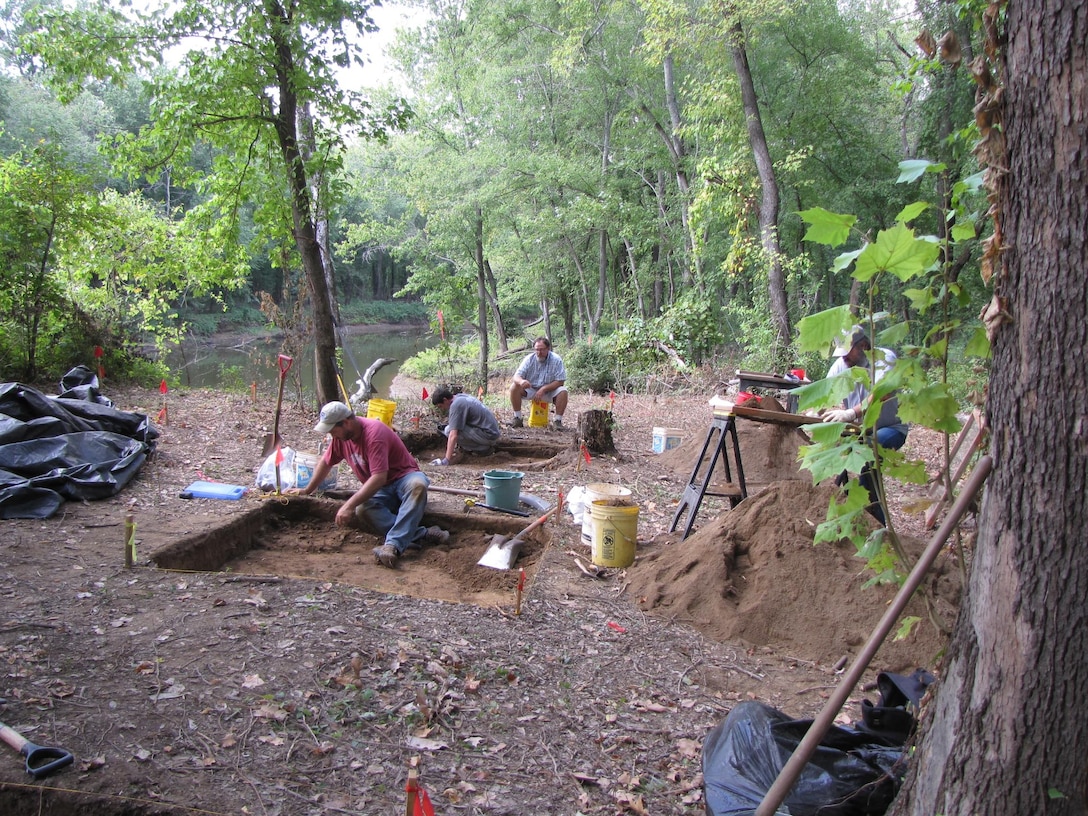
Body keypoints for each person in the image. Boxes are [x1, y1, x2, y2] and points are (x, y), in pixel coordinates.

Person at [286, 401, 449, 569]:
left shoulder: (374, 433)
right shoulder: (341, 438)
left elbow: (379, 477)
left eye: (333, 430)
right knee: (363, 509)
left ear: (346, 422)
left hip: (402, 478)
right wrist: (307, 490)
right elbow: (326, 462)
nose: (332, 436)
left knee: (418, 484)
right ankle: (424, 534)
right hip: (382, 488)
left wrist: (348, 505)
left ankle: (392, 546)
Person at [822, 326, 909, 525]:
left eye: (847, 352)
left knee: (868, 459)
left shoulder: (884, 359)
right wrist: (816, 411)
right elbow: (825, 393)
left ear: (862, 345)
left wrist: (851, 412)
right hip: (858, 431)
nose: (844, 358)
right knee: (838, 453)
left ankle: (878, 524)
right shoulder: (841, 365)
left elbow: (882, 393)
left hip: (890, 429)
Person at [429, 387, 501, 465]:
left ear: (445, 400)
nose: (442, 409)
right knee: (451, 428)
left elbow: (453, 435)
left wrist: (446, 460)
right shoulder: (460, 397)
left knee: (448, 431)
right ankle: (481, 447)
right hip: (492, 432)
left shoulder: (456, 405)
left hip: (488, 435)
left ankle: (483, 449)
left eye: (440, 406)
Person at [508, 336, 568, 429]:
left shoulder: (556, 360)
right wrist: (521, 381)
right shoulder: (529, 359)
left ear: (548, 349)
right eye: (537, 350)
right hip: (531, 389)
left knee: (563, 391)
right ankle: (517, 418)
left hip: (549, 391)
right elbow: (516, 376)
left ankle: (557, 421)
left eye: (542, 350)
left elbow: (560, 381)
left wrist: (544, 389)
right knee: (514, 387)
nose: (539, 353)